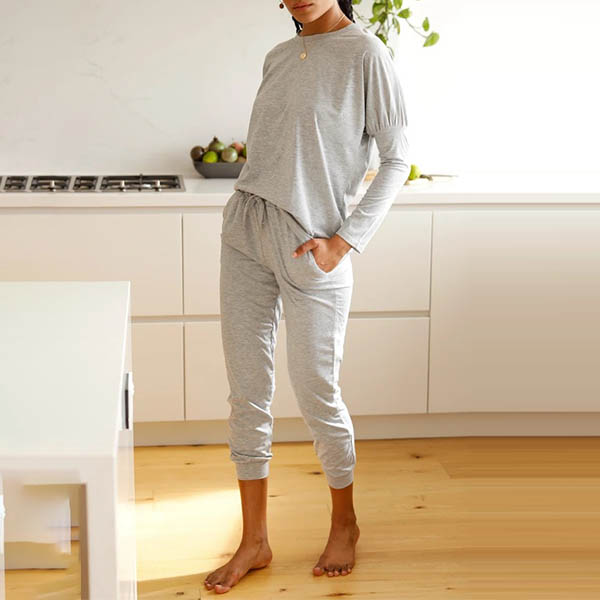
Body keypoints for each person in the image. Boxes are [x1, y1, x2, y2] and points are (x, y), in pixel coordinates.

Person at [204, 0, 410, 593]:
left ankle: (345, 522)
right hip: (245, 232)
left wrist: (344, 241)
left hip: (311, 244)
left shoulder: (367, 53)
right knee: (247, 392)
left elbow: (397, 159)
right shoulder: (277, 56)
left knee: (317, 389)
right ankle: (254, 541)